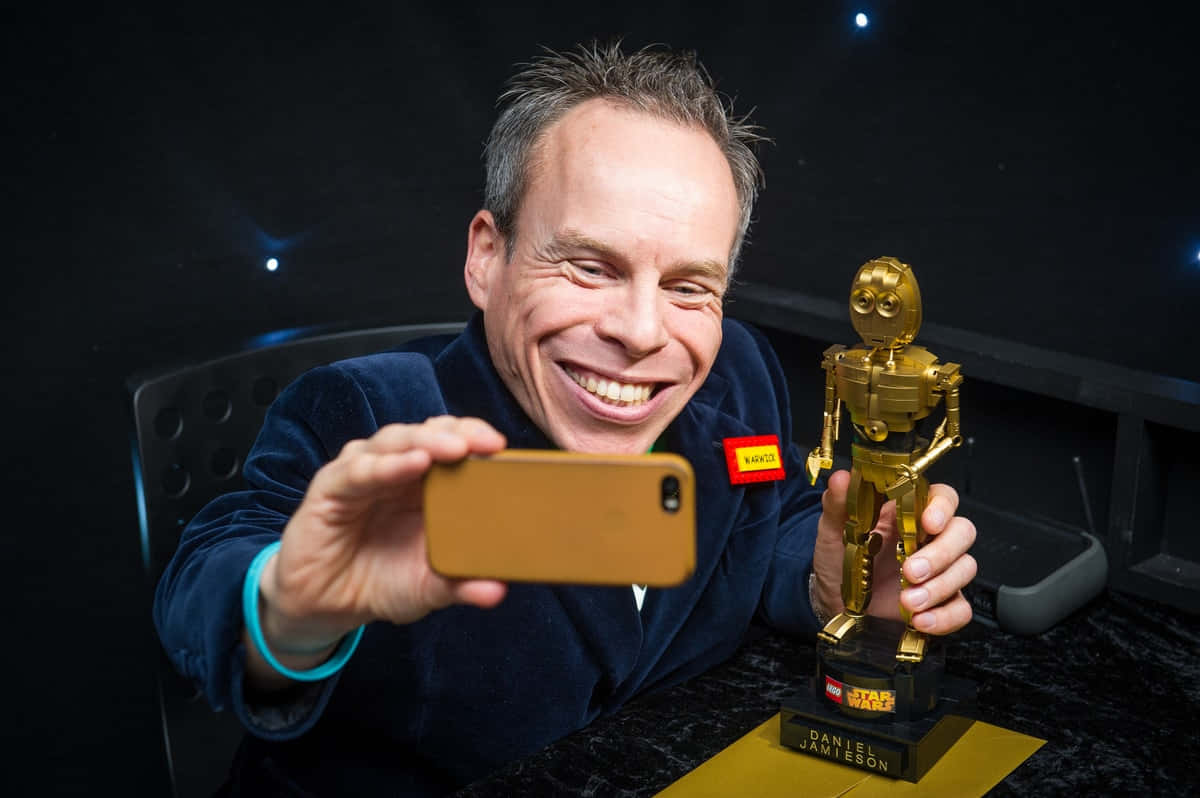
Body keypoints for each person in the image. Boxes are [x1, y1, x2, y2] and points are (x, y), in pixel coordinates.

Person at [154, 42, 976, 796]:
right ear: (487, 257)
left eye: (689, 286)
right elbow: (208, 571)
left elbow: (766, 520)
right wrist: (291, 609)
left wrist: (827, 581)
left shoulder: (739, 374)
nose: (643, 332)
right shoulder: (371, 411)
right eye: (591, 267)